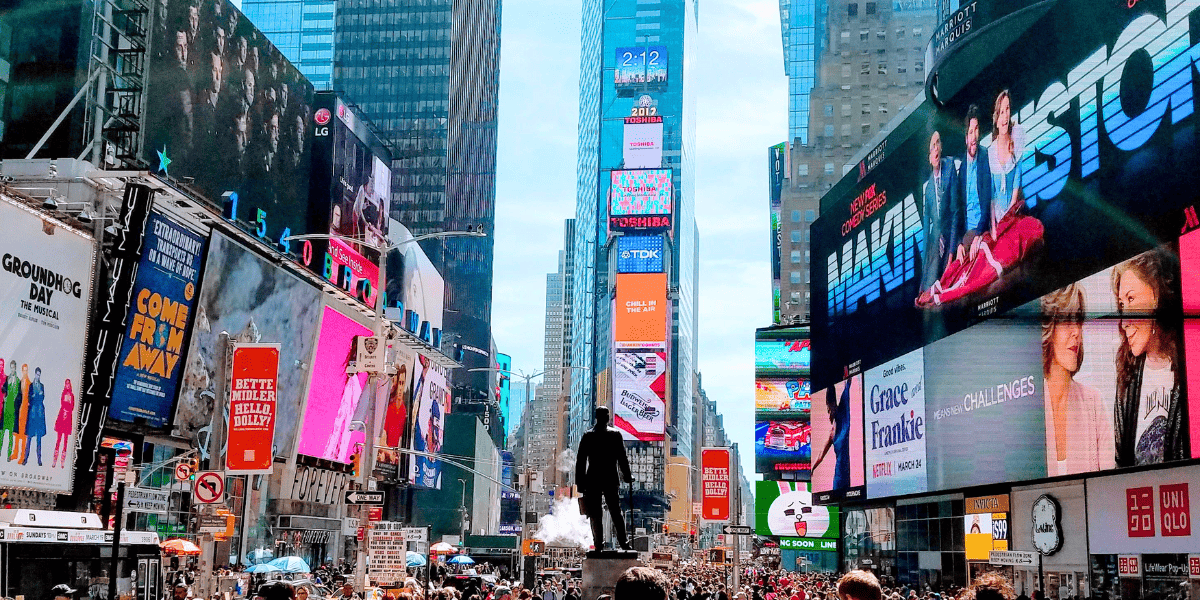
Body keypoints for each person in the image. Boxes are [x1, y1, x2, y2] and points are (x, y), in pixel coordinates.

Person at [1111, 247, 1188, 466]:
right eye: (1121, 305)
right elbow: (1120, 464)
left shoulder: (1190, 363)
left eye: (1132, 299)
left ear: (1156, 297)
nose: (1125, 322)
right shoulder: (1127, 374)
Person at [1041, 284, 1115, 475]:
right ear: (1049, 328)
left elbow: (1109, 484)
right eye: (1067, 321)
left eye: (1079, 321)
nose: (1077, 332)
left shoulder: (1094, 403)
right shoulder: (1027, 405)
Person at [575, 406, 634, 550]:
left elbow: (581, 462)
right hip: (608, 478)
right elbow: (622, 459)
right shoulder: (614, 435)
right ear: (606, 417)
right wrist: (627, 475)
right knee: (614, 512)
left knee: (598, 513)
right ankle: (622, 543)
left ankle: (599, 544)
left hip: (594, 479)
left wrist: (580, 483)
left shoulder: (589, 435)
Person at [920, 131, 958, 295]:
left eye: (937, 144)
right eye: (932, 147)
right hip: (937, 239)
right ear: (929, 156)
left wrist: (951, 252)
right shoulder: (927, 189)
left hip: (953, 232)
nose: (935, 149)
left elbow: (956, 211)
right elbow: (926, 229)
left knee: (950, 276)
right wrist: (924, 269)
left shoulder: (950, 166)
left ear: (941, 147)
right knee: (930, 282)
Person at [812, 382, 852, 491]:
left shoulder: (843, 414)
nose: (829, 413)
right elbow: (821, 454)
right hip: (839, 476)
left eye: (830, 409)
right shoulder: (831, 433)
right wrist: (812, 469)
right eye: (827, 410)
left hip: (848, 473)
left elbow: (847, 386)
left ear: (834, 405)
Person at [23, 366, 46, 466]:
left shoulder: (42, 386)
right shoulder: (31, 386)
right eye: (37, 374)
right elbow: (30, 398)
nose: (38, 376)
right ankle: (25, 459)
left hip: (39, 415)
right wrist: (36, 396)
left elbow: (42, 398)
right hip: (32, 415)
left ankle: (39, 459)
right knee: (29, 438)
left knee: (39, 439)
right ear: (35, 374)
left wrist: (37, 397)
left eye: (39, 375)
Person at [52, 378, 74, 468]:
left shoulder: (72, 395)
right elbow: (62, 403)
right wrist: (65, 410)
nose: (67, 385)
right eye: (66, 384)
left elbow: (72, 406)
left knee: (65, 441)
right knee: (58, 439)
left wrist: (67, 410)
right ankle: (54, 460)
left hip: (68, 418)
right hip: (62, 417)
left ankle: (62, 461)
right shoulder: (63, 393)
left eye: (68, 384)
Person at [1, 360, 15, 460]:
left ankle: (9, 455)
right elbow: (4, 390)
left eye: (13, 367)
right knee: (1, 433)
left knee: (10, 434)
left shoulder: (15, 380)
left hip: (11, 409)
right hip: (5, 409)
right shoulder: (7, 378)